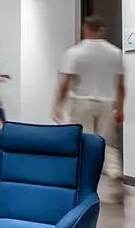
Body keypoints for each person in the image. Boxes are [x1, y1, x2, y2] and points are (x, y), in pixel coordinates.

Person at [53, 14, 125, 179]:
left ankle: (85, 174)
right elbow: (121, 86)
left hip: (82, 102)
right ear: (101, 30)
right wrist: (120, 108)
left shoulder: (75, 52)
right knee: (107, 140)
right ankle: (113, 169)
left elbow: (65, 83)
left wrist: (58, 105)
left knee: (84, 140)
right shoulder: (115, 53)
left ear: (85, 29)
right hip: (107, 103)